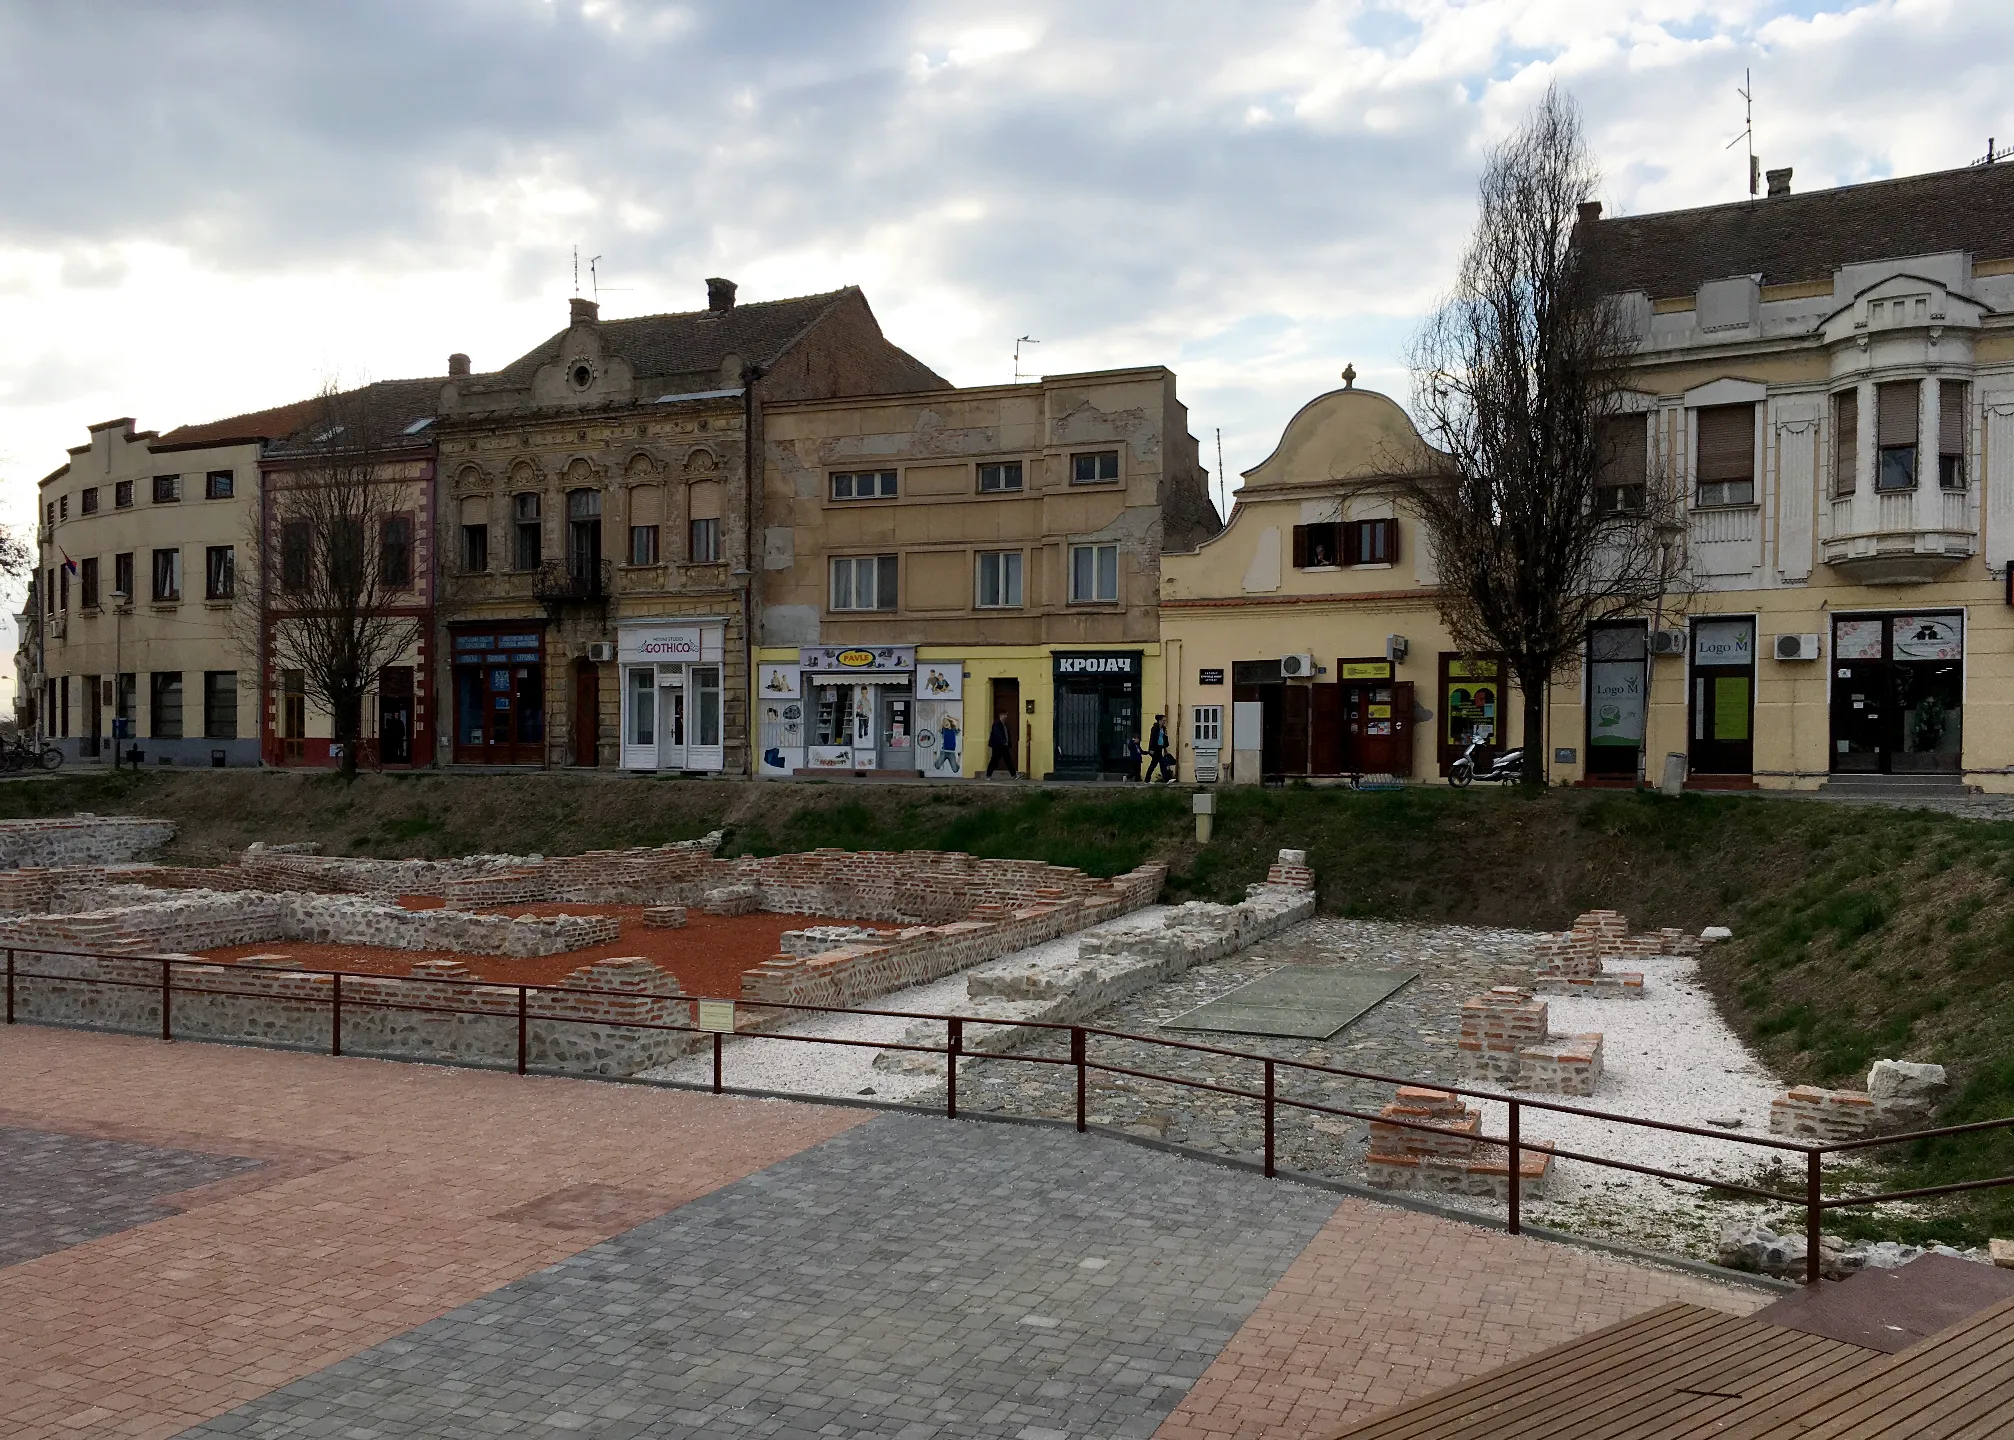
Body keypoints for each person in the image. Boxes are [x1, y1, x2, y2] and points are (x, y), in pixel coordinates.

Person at [1148, 713, 1175, 783]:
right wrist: (1151, 749)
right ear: (1159, 721)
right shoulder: (1154, 728)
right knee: (1162, 764)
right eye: (1163, 720)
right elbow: (1152, 739)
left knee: (1154, 765)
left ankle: (1147, 780)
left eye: (1165, 721)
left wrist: (1165, 746)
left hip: (1160, 747)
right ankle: (1167, 780)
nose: (1164, 722)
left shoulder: (1163, 729)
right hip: (1155, 748)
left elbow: (1164, 738)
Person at [985, 713, 1013, 777]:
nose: (1006, 716)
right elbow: (998, 734)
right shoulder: (997, 724)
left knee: (1008, 760)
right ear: (1001, 716)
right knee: (994, 760)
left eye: (1006, 715)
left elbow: (1007, 735)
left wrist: (1008, 744)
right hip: (997, 746)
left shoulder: (1004, 725)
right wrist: (1003, 741)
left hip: (1004, 746)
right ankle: (988, 775)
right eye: (1005, 715)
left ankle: (1013, 775)